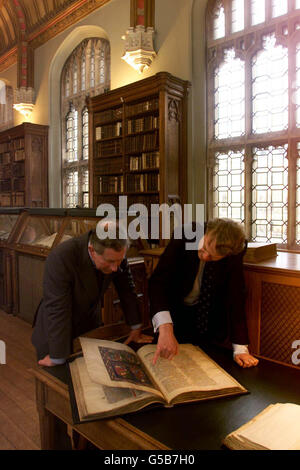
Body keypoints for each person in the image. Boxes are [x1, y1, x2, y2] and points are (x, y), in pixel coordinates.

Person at [32, 220, 151, 367]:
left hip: (90, 327)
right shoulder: (62, 256)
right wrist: (57, 356)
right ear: (92, 250)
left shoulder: (115, 253)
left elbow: (127, 290)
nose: (115, 268)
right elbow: (58, 309)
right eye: (110, 262)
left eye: (119, 261)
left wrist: (135, 327)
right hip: (55, 333)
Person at [149, 218, 259, 368]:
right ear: (205, 233)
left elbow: (236, 294)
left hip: (206, 322)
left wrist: (240, 348)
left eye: (213, 257)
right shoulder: (185, 235)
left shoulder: (236, 247)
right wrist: (166, 327)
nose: (206, 257)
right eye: (205, 248)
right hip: (173, 314)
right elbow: (158, 283)